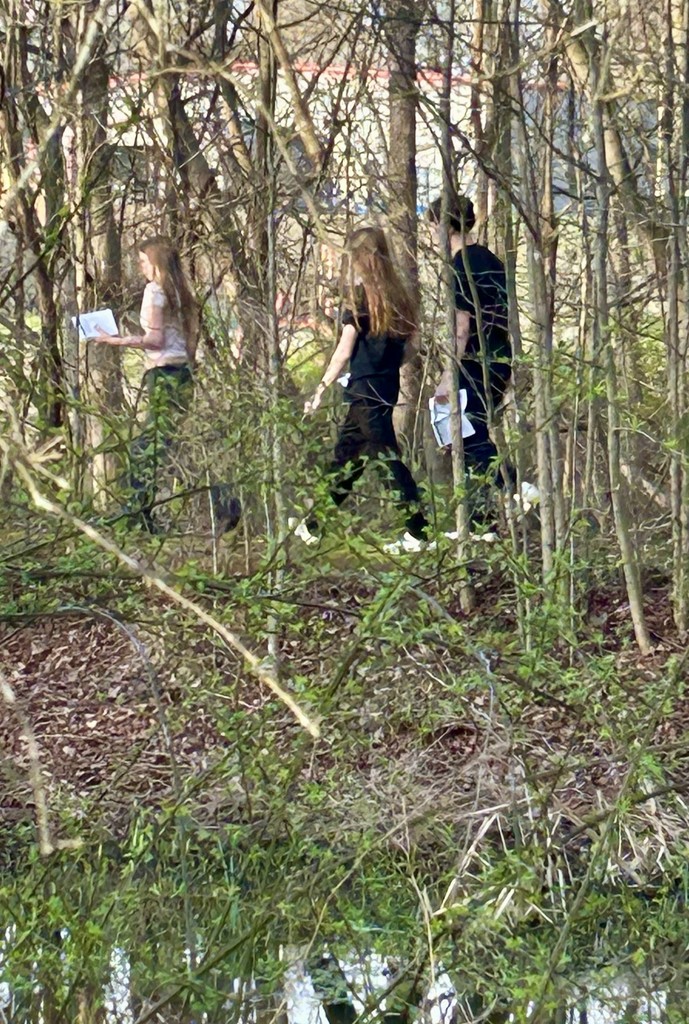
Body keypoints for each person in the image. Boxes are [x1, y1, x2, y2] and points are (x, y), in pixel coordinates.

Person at [91, 236, 240, 534]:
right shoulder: (182, 293)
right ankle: (223, 506)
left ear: (156, 262)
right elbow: (187, 338)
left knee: (150, 447)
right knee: (176, 444)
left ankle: (139, 515)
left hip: (164, 376)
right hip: (182, 373)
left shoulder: (155, 292)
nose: (140, 266)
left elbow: (154, 340)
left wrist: (115, 340)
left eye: (144, 261)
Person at [299, 227, 429, 552]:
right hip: (382, 387)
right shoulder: (400, 297)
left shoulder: (361, 298)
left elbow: (344, 350)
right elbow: (412, 348)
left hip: (364, 388)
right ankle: (313, 526)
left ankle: (419, 531)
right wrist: (386, 365)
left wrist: (321, 388)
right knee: (347, 458)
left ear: (361, 258)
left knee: (385, 459)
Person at [427, 195, 514, 530]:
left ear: (444, 226)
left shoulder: (461, 265)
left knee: (467, 436)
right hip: (499, 361)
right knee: (471, 434)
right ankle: (481, 523)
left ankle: (514, 486)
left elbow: (462, 327)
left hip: (476, 363)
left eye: (432, 226)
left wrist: (448, 375)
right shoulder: (491, 260)